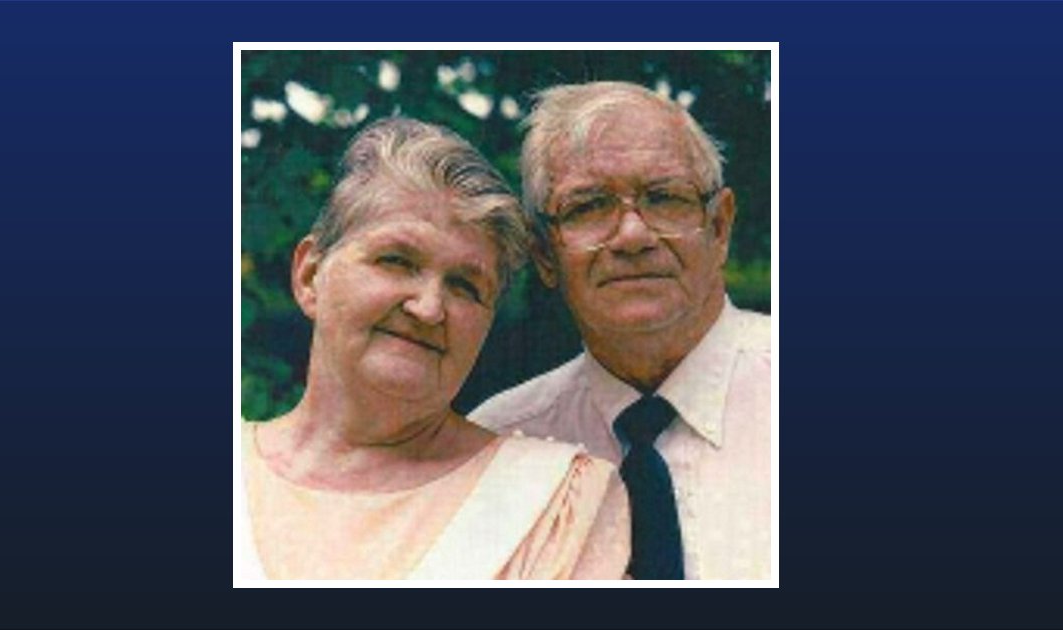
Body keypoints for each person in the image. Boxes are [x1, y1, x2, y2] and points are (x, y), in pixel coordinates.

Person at [235, 117, 629, 580]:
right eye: (397, 261)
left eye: (465, 287)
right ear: (309, 276)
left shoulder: (553, 503)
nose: (429, 308)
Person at [471, 82, 771, 580]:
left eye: (664, 198)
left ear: (719, 227)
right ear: (545, 255)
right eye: (588, 207)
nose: (633, 236)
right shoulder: (496, 451)